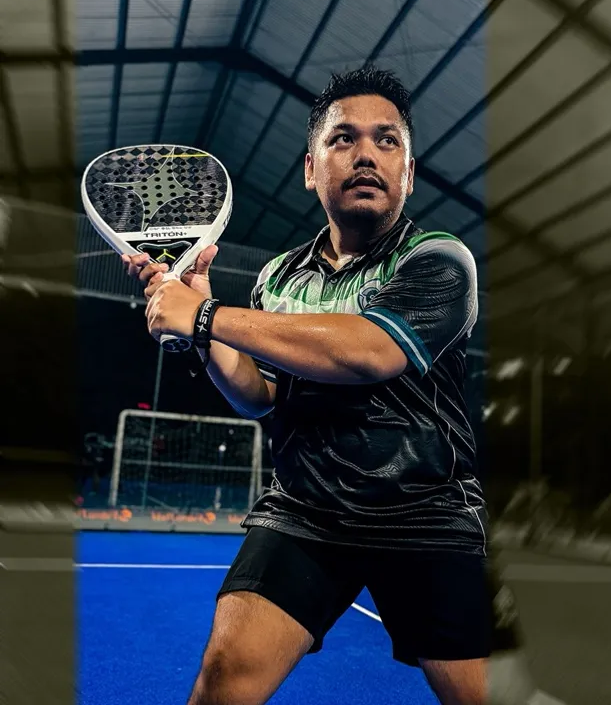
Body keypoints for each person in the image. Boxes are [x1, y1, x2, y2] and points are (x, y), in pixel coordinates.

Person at [124, 66, 538, 704]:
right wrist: (205, 331)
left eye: (386, 140)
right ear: (311, 168)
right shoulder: (278, 277)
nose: (366, 154)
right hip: (306, 509)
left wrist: (205, 316)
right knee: (225, 674)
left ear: (408, 172)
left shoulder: (439, 258)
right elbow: (259, 395)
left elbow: (369, 352)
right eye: (344, 138)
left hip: (426, 511)